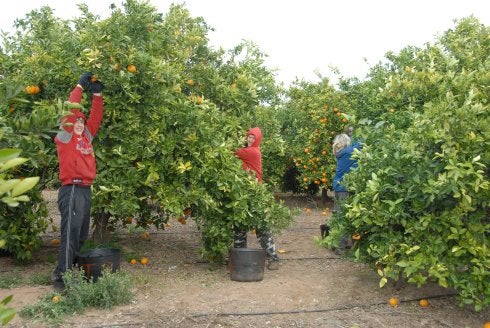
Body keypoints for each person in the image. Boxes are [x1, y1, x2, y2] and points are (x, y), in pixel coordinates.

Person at [53, 72, 104, 289]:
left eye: (82, 122)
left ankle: (73, 272)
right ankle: (61, 278)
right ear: (70, 123)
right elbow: (72, 109)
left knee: (81, 234)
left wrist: (98, 94)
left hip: (85, 189)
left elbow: (96, 118)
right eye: (77, 122)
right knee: (70, 234)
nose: (80, 124)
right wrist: (80, 86)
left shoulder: (86, 137)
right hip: (71, 188)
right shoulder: (65, 136)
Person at [234, 127, 280, 270]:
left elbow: (233, 152)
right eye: (249, 136)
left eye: (253, 138)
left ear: (257, 140)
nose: (250, 139)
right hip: (243, 193)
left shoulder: (252, 152)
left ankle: (273, 258)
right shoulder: (247, 150)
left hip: (255, 194)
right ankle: (239, 258)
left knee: (261, 227)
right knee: (239, 226)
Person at [331, 132, 361, 254]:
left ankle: (337, 243)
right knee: (344, 216)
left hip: (339, 187)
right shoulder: (349, 152)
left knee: (338, 215)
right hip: (345, 189)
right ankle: (340, 246)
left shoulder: (340, 153)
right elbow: (361, 142)